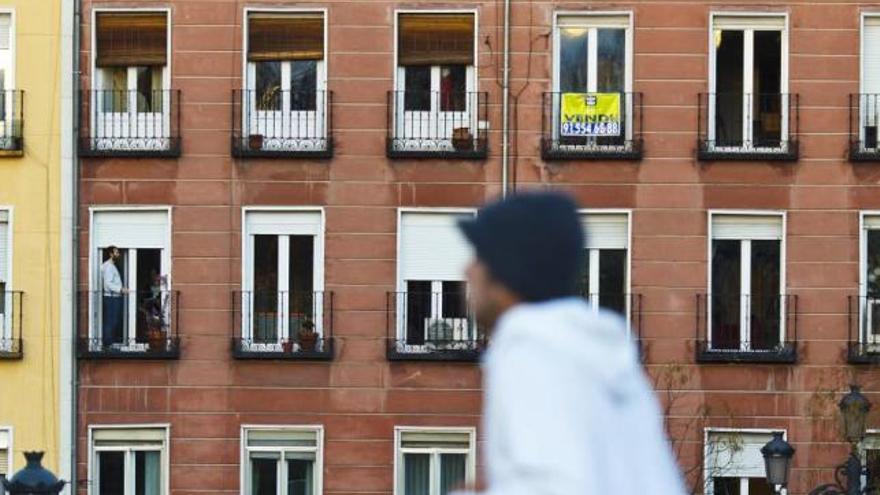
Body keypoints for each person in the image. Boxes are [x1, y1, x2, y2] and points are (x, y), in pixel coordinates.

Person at [453, 191, 685, 495]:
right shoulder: (600, 359)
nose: (467, 270)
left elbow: (554, 486)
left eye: (480, 256)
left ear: (506, 268)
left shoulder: (532, 352)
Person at [101, 245, 127, 347]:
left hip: (113, 297)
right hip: (111, 297)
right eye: (116, 252)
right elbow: (108, 284)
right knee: (111, 321)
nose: (118, 254)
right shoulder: (108, 267)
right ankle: (107, 344)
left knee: (113, 320)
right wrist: (121, 289)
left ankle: (109, 343)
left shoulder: (111, 266)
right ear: (111, 254)